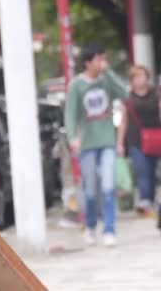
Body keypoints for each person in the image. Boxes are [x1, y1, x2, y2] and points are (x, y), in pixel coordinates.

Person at [64, 43, 128, 247]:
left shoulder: (106, 81)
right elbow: (70, 113)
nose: (102, 62)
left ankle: (110, 229)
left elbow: (125, 93)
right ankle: (90, 226)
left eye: (104, 58)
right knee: (90, 190)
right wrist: (72, 137)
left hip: (107, 141)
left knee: (108, 186)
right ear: (88, 62)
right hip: (87, 144)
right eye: (99, 59)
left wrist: (108, 72)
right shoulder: (77, 85)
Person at [116, 66, 161, 217]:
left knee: (153, 171)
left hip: (156, 138)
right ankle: (145, 201)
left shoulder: (157, 95)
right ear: (131, 81)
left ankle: (150, 201)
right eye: (136, 77)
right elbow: (123, 122)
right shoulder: (127, 98)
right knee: (142, 171)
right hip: (136, 140)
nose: (140, 80)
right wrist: (120, 143)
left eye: (143, 76)